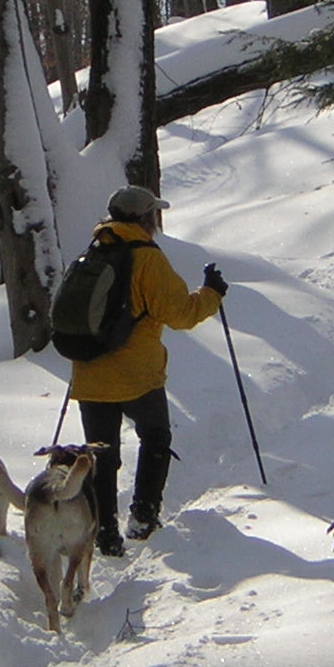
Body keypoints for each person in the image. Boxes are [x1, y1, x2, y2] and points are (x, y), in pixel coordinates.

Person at [68, 185, 228, 555]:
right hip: (137, 375)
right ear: (146, 218)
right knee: (155, 438)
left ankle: (104, 532)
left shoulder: (93, 250)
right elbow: (180, 314)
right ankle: (143, 517)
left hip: (89, 372)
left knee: (101, 456)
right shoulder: (146, 258)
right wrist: (212, 294)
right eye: (154, 214)